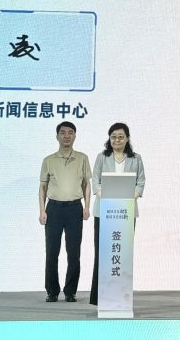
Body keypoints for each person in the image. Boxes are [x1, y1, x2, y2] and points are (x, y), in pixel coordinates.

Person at [88, 122, 146, 306]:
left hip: (126, 212)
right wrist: (104, 195)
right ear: (109, 139)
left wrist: (130, 197)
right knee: (103, 254)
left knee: (122, 254)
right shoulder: (102, 157)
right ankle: (100, 298)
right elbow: (95, 180)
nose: (117, 140)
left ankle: (121, 297)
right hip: (104, 210)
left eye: (121, 137)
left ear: (127, 139)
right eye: (113, 137)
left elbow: (140, 182)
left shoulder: (136, 158)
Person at [38, 121, 91, 303]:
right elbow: (43, 187)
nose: (67, 136)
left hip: (75, 209)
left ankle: (70, 292)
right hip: (53, 209)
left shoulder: (82, 158)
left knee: (74, 253)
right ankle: (52, 291)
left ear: (75, 136)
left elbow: (86, 184)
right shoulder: (49, 160)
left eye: (70, 132)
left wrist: (86, 207)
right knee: (52, 252)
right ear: (57, 136)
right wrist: (42, 210)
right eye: (63, 132)